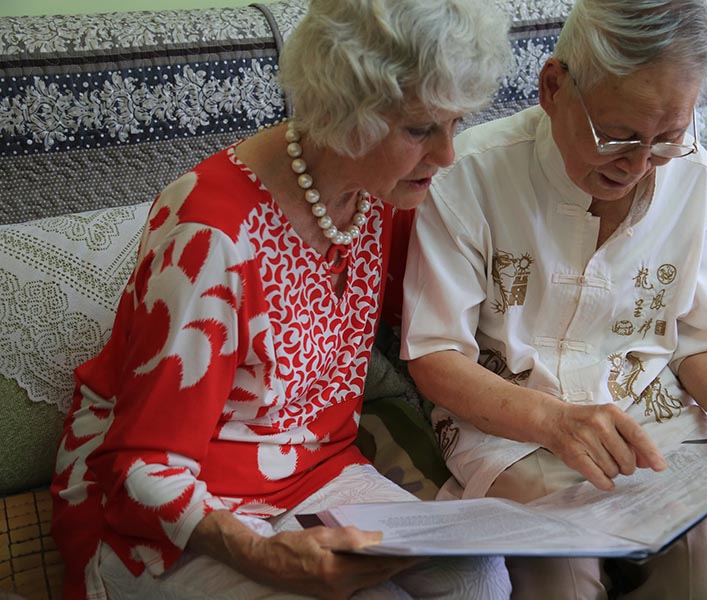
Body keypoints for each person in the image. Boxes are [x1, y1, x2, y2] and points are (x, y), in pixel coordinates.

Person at [50, 1, 512, 598]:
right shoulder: (210, 238)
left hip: (314, 473)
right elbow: (140, 467)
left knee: (479, 580)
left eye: (456, 124)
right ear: (348, 113)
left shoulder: (378, 193)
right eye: (422, 129)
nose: (448, 154)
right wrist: (264, 555)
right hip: (165, 509)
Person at [401, 0, 707, 598]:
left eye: (666, 139)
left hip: (653, 421)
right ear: (553, 87)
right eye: (618, 135)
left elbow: (704, 338)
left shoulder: (694, 178)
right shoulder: (469, 175)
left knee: (704, 567)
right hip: (514, 425)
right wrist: (555, 423)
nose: (637, 164)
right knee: (563, 575)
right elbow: (434, 354)